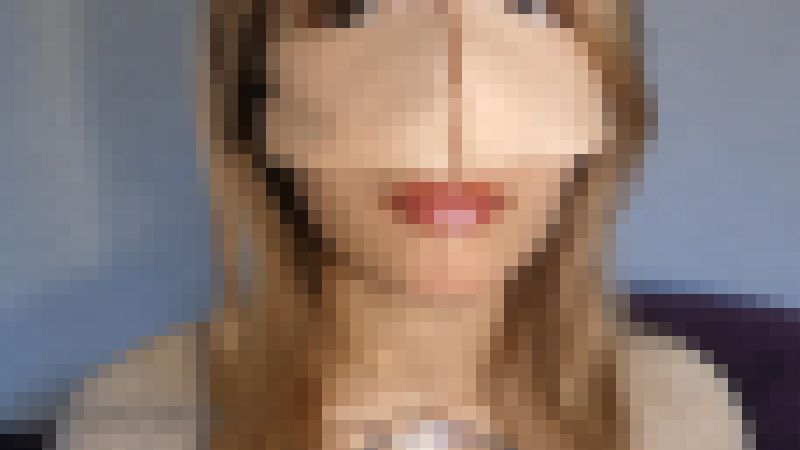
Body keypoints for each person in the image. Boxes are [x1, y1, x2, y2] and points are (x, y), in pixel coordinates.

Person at [62, 1, 746, 449]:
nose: (447, 114)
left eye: (529, 5)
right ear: (253, 96)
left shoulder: (681, 415)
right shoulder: (137, 422)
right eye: (353, 6)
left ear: (606, 94)